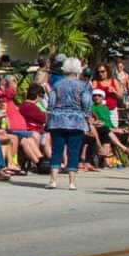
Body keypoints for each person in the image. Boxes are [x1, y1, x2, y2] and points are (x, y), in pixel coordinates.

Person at [45, 57, 91, 191]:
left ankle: (53, 180)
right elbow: (87, 104)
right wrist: (87, 119)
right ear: (78, 70)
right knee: (74, 151)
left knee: (57, 150)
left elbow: (51, 103)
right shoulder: (83, 85)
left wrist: (49, 119)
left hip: (57, 120)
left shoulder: (57, 84)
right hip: (77, 121)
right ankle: (72, 182)